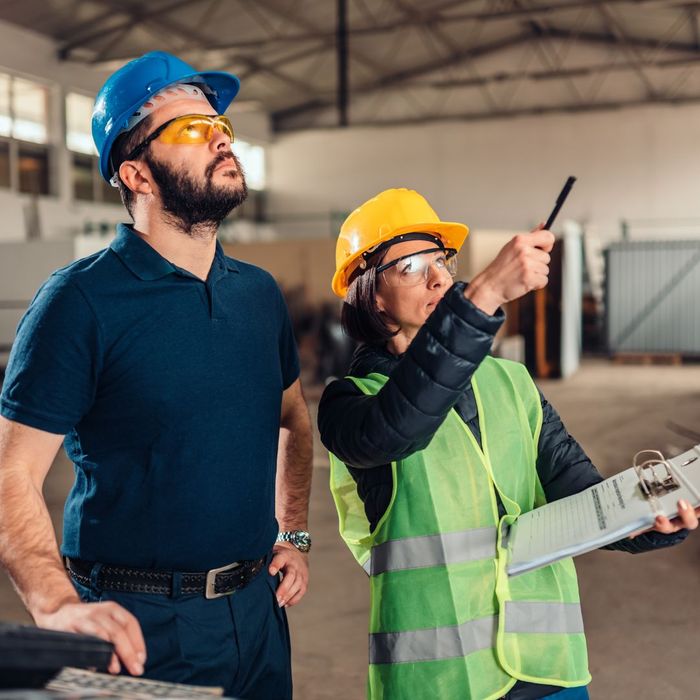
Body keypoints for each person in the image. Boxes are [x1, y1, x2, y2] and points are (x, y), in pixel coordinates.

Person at [0, 51, 313, 700]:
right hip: (139, 626)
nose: (221, 138)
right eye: (194, 131)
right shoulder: (80, 303)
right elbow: (11, 473)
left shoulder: (257, 295)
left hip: (259, 613)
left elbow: (294, 420)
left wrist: (295, 531)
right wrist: (55, 602)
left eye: (221, 126)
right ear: (137, 173)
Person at [318, 188, 698, 700]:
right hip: (441, 682)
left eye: (440, 261)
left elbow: (580, 496)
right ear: (370, 294)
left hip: (548, 669)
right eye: (409, 266)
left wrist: (649, 522)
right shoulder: (350, 402)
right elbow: (400, 425)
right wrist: (485, 294)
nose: (436, 278)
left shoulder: (512, 382)